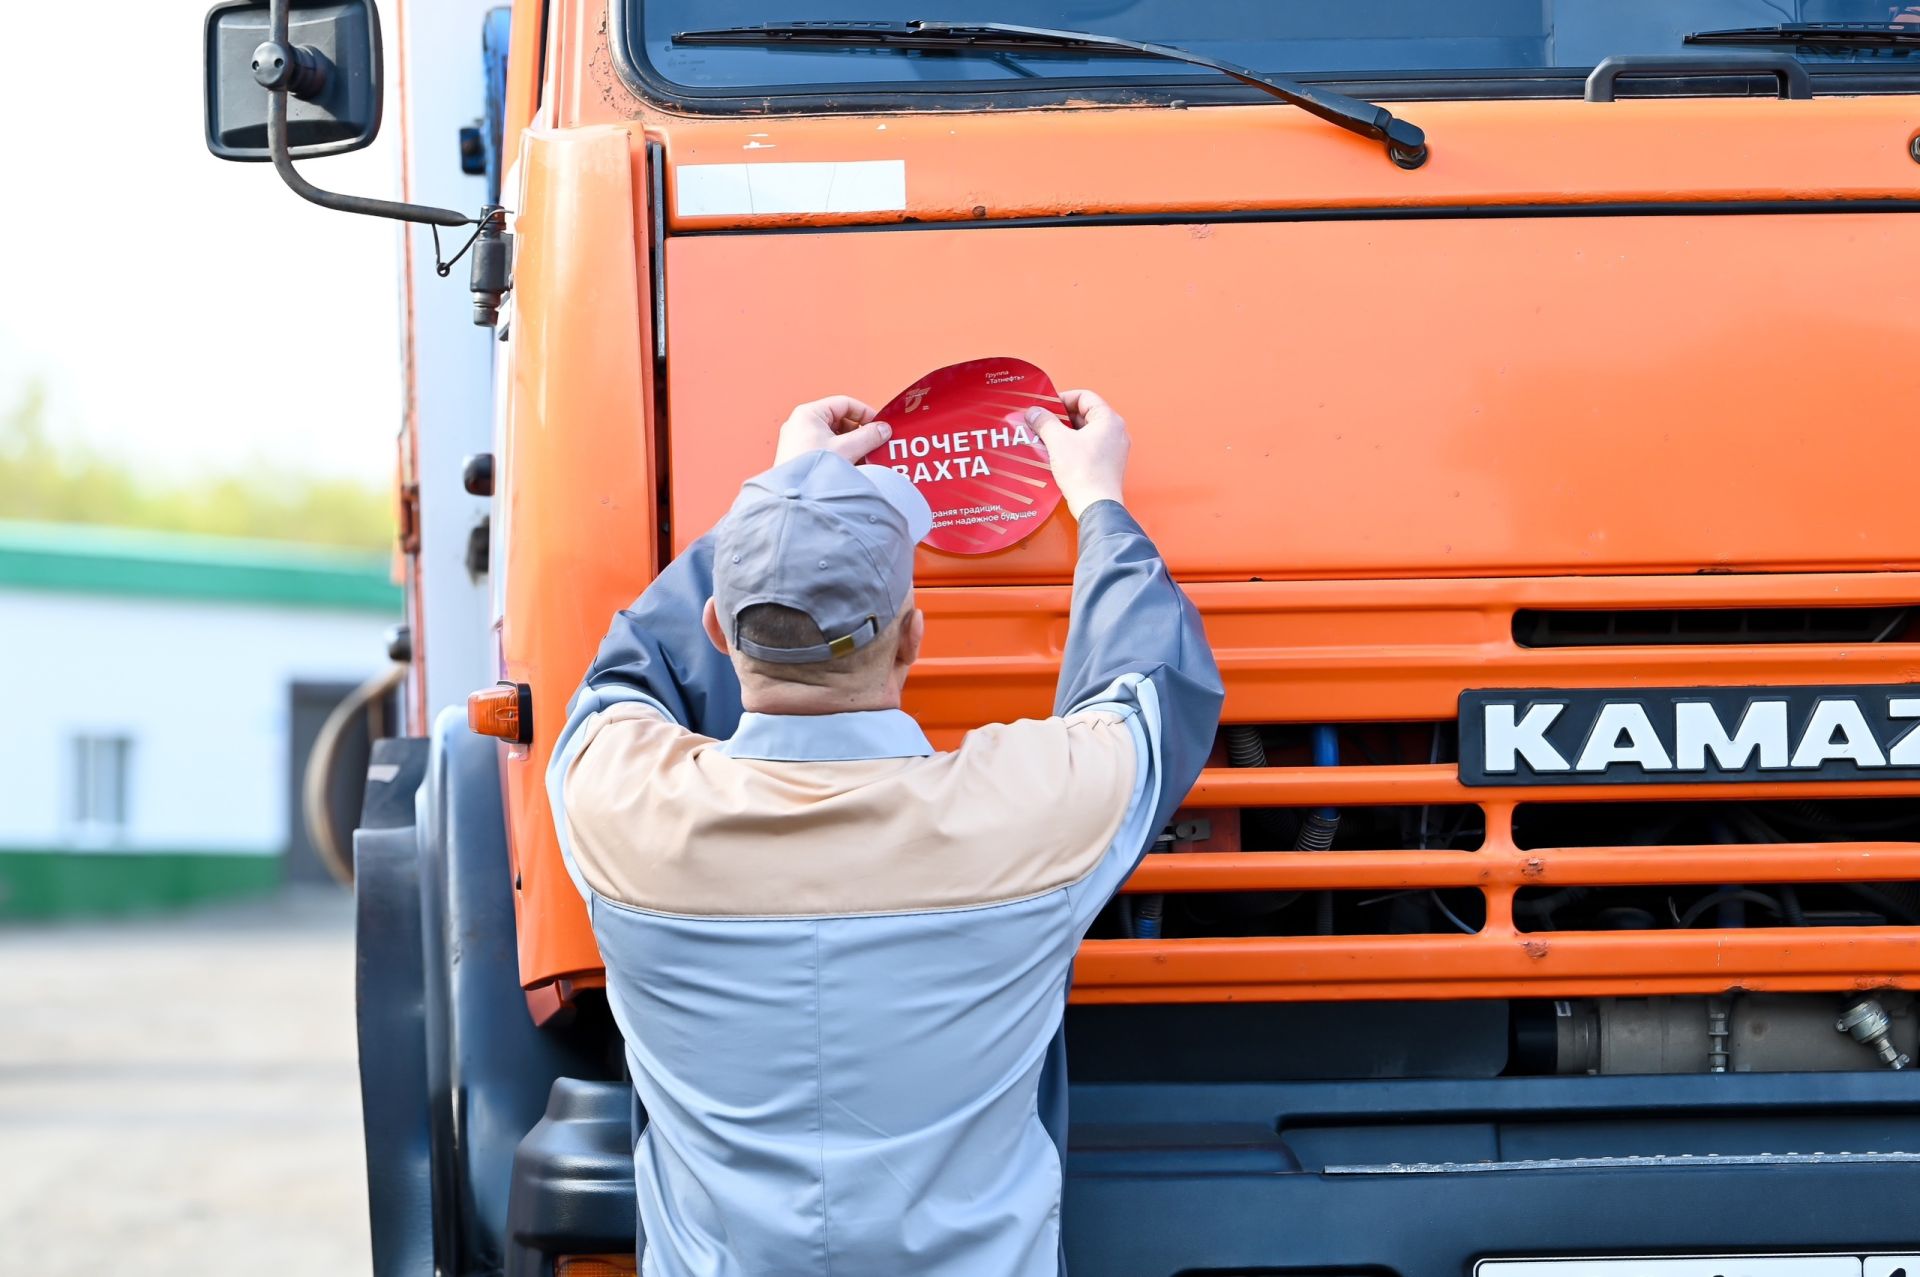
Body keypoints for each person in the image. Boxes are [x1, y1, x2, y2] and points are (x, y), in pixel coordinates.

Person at [547, 389, 1223, 1276]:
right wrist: (1097, 498)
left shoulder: (615, 804)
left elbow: (631, 668)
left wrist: (790, 493)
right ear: (911, 639)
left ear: (720, 627)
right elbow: (1151, 685)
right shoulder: (1026, 814)